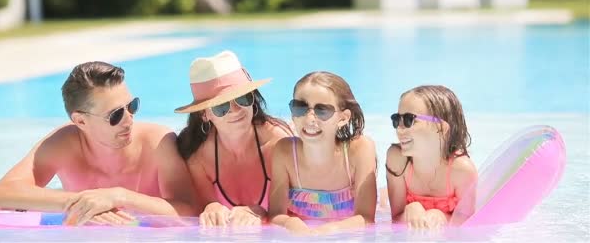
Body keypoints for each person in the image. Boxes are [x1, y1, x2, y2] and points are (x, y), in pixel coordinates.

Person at [0, 61, 199, 226]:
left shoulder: (157, 142)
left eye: (131, 106)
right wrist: (82, 205)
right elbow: (2, 195)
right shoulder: (62, 144)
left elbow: (189, 211)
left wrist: (118, 197)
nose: (129, 119)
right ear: (80, 120)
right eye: (115, 115)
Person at [175, 50, 292, 227]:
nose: (236, 110)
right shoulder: (199, 158)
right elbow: (203, 206)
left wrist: (260, 212)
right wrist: (211, 207)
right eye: (221, 106)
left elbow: (296, 210)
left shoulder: (277, 144)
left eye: (243, 98)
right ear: (204, 114)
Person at [268, 71, 377, 235]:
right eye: (300, 107)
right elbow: (275, 215)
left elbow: (366, 218)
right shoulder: (285, 152)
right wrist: (291, 223)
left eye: (322, 111)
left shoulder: (359, 150)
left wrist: (330, 230)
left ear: (343, 118)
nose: (310, 118)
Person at [385, 85, 478, 229]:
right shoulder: (397, 160)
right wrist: (410, 210)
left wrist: (443, 217)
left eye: (410, 120)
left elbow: (467, 223)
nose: (399, 128)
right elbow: (396, 218)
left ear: (440, 128)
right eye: (397, 119)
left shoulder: (461, 171)